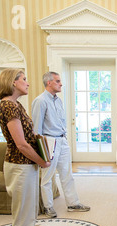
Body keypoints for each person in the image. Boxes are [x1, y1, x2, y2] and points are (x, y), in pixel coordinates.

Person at [0, 68, 51, 226]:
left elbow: (28, 136)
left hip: (25, 165)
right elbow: (21, 144)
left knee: (28, 212)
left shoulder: (16, 105)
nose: (28, 83)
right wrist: (42, 162)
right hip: (19, 166)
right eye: (24, 79)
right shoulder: (9, 105)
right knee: (22, 215)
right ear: (13, 82)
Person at [31, 72, 90, 218]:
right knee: (47, 177)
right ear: (49, 83)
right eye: (57, 81)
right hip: (49, 141)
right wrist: (40, 150)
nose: (61, 84)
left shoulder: (59, 101)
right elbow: (36, 129)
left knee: (67, 174)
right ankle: (48, 207)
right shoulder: (40, 101)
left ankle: (72, 203)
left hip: (62, 140)